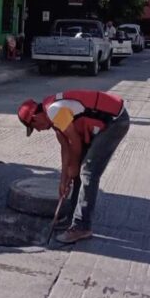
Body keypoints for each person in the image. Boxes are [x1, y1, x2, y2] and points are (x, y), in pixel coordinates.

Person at [17, 90, 130, 243]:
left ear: (35, 117)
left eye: (34, 126)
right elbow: (66, 148)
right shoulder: (54, 119)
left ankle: (82, 226)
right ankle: (72, 219)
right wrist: (64, 180)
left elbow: (75, 142)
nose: (38, 130)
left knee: (88, 172)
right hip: (106, 122)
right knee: (77, 170)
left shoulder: (54, 110)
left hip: (115, 122)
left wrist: (74, 168)